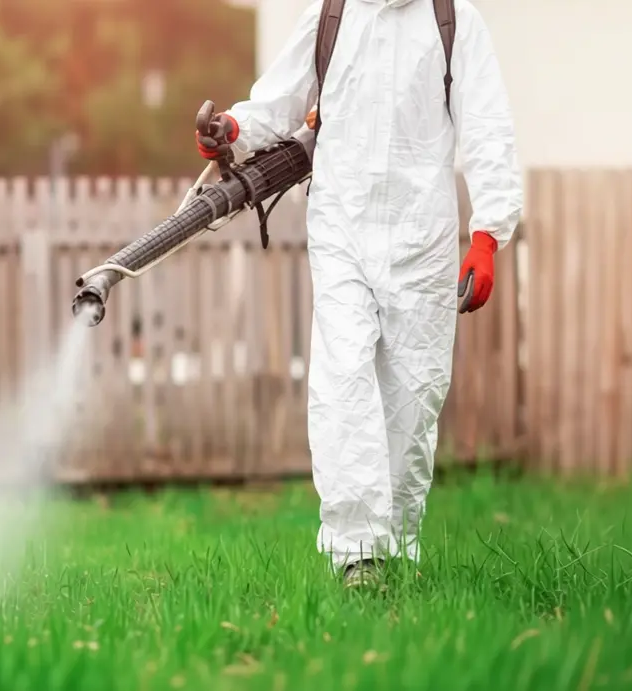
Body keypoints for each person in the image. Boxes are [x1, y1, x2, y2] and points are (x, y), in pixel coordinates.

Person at [195, 0, 522, 586]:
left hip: (423, 242)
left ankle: (397, 546)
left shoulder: (453, 22)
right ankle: (358, 557)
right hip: (342, 230)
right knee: (343, 383)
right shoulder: (332, 15)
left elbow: (488, 128)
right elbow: (280, 98)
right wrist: (235, 129)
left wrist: (488, 234)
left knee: (413, 398)